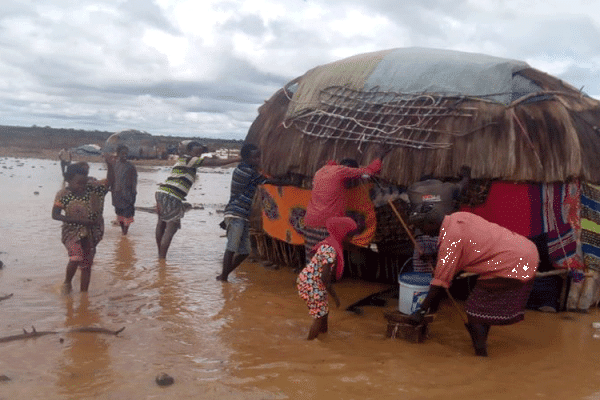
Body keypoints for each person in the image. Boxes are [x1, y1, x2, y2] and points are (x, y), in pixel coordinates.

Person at [408, 210, 540, 356]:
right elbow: (466, 247)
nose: (423, 232)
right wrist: (435, 257)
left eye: (422, 227)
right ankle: (480, 343)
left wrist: (420, 311)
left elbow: (440, 282)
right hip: (527, 251)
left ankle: (481, 355)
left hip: (513, 263)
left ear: (431, 223)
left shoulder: (451, 239)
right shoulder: (459, 217)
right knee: (482, 309)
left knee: (474, 311)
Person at [155, 140, 241, 259]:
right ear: (189, 151)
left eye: (200, 151)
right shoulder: (189, 159)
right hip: (172, 195)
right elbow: (214, 162)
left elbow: (210, 158)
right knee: (171, 228)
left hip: (162, 193)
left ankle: (160, 254)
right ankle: (162, 260)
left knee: (161, 224)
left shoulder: (183, 160)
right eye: (196, 150)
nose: (199, 153)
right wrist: (236, 159)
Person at [302, 155, 383, 262]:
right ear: (349, 169)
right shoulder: (341, 171)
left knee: (312, 259)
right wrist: (380, 157)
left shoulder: (320, 171)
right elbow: (369, 171)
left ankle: (311, 278)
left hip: (310, 222)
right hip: (327, 224)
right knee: (326, 261)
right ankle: (325, 278)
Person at [52, 155, 114, 293]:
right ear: (68, 181)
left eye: (84, 182)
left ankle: (84, 296)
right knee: (75, 258)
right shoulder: (62, 194)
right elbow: (55, 215)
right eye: (78, 183)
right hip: (72, 231)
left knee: (86, 265)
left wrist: (110, 166)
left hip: (92, 232)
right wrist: (79, 221)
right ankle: (67, 283)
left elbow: (109, 182)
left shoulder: (93, 189)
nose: (82, 186)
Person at [297, 216, 357, 340]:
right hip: (311, 282)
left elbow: (325, 279)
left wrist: (333, 296)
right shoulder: (330, 249)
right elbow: (324, 278)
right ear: (341, 233)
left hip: (311, 280)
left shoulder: (330, 243)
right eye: (348, 235)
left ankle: (323, 337)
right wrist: (332, 295)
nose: (350, 239)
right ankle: (309, 344)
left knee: (324, 312)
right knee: (319, 316)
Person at [216, 143, 268, 281]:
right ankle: (224, 278)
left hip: (241, 215)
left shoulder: (246, 169)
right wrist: (289, 181)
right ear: (246, 158)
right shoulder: (247, 171)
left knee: (245, 252)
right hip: (236, 214)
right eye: (255, 157)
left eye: (259, 156)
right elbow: (268, 181)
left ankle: (224, 275)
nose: (258, 159)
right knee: (232, 247)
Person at [408, 166, 471, 273]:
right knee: (443, 272)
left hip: (422, 237)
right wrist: (466, 176)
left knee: (422, 274)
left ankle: (424, 289)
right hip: (443, 237)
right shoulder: (447, 188)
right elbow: (463, 186)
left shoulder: (412, 189)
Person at [110, 145, 138, 235]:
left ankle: (125, 232)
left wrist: (133, 193)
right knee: (119, 214)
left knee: (128, 214)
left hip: (128, 194)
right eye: (122, 153)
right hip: (117, 194)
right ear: (118, 154)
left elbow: (134, 180)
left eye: (126, 153)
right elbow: (111, 179)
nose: (124, 155)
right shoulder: (115, 165)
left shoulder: (131, 166)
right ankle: (123, 232)